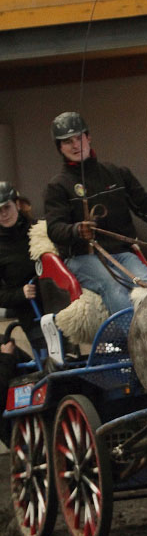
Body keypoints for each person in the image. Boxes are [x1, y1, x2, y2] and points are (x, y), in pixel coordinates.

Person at [44, 111, 147, 321]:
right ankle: (132, 345)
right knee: (113, 285)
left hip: (122, 252)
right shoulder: (57, 186)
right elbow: (55, 229)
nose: (75, 145)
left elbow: (145, 206)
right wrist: (77, 230)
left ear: (88, 137)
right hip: (82, 257)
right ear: (59, 147)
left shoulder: (117, 173)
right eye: (67, 142)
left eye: (79, 138)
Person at [0, 182, 39, 442]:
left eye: (6, 207)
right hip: (28, 311)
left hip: (54, 302)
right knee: (44, 357)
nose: (3, 213)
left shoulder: (37, 230)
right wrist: (20, 295)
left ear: (17, 205)